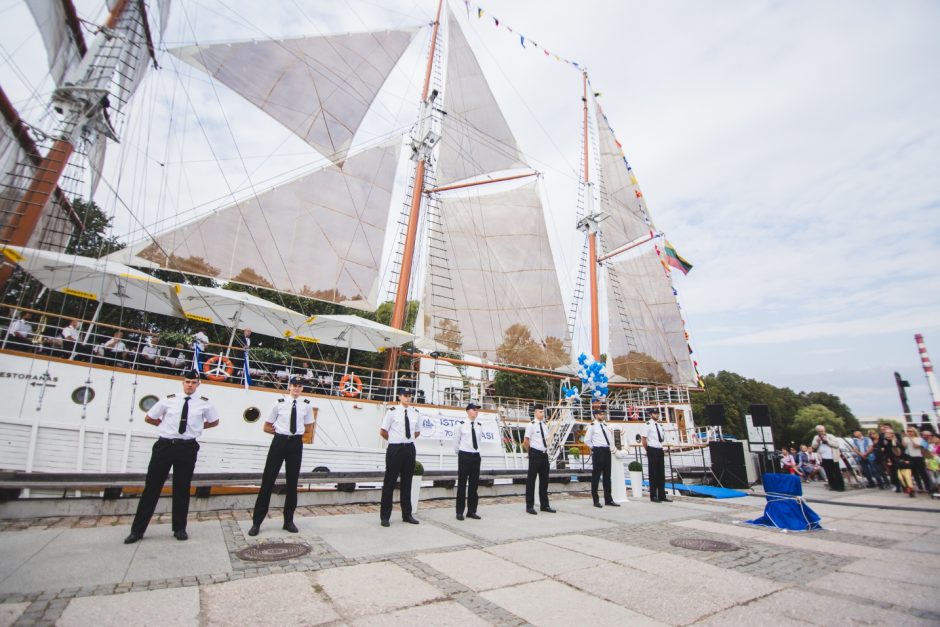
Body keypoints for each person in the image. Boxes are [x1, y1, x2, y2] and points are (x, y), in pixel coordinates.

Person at [124, 370, 220, 543]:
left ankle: (179, 528)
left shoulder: (204, 404)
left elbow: (214, 421)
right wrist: (164, 425)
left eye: (193, 382)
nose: (190, 385)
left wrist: (196, 428)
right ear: (183, 383)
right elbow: (150, 417)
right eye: (187, 381)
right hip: (165, 445)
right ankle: (137, 530)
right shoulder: (169, 400)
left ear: (198, 384)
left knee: (182, 488)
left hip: (187, 447)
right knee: (152, 487)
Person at [248, 376, 315, 536]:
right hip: (279, 442)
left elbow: (308, 427)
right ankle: (257, 522)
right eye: (294, 386)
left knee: (292, 482)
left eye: (300, 386)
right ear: (289, 387)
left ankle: (288, 521)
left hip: (295, 443)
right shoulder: (279, 403)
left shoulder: (306, 405)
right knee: (268, 480)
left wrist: (296, 434)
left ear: (302, 389)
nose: (297, 389)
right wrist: (279, 432)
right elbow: (266, 426)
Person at [379, 390, 421, 527]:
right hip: (395, 448)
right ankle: (385, 517)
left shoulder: (415, 413)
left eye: (409, 396)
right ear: (399, 397)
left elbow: (417, 432)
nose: (408, 398)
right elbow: (383, 431)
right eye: (405, 396)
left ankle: (407, 514)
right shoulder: (392, 412)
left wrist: (406, 442)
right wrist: (394, 441)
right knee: (389, 483)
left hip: (409, 449)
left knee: (407, 483)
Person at [452, 402, 483, 521]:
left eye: (477, 410)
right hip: (464, 456)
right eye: (474, 409)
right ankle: (459, 512)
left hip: (475, 456)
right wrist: (461, 454)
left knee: (474, 485)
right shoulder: (460, 425)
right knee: (462, 485)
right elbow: (456, 443)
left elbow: (479, 441)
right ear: (468, 411)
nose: (476, 411)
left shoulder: (479, 425)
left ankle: (472, 511)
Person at [585, 408, 621, 508]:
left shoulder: (606, 425)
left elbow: (609, 438)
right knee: (596, 476)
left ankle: (608, 499)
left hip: (606, 451)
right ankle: (595, 500)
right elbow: (587, 440)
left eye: (603, 414)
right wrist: (594, 448)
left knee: (607, 476)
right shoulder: (592, 426)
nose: (602, 416)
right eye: (600, 414)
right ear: (596, 415)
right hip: (598, 451)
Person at [523, 403, 555, 514]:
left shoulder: (544, 425)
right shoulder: (531, 425)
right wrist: (530, 452)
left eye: (543, 411)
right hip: (535, 454)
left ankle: (544, 505)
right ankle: (529, 506)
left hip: (544, 454)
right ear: (536, 412)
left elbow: (547, 439)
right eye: (540, 412)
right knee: (531, 480)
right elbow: (526, 441)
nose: (542, 413)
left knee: (544, 480)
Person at [642, 410, 670, 502]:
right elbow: (644, 439)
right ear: (650, 415)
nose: (657, 415)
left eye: (657, 413)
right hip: (652, 449)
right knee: (653, 474)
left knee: (661, 474)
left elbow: (661, 438)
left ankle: (662, 495)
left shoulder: (659, 425)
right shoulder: (648, 425)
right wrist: (648, 450)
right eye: (654, 413)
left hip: (659, 449)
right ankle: (653, 496)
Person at [811, 425, 844, 491]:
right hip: (824, 458)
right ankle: (833, 486)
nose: (821, 432)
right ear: (817, 431)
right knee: (829, 473)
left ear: (824, 430)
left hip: (833, 457)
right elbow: (813, 446)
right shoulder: (816, 437)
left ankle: (840, 487)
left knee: (837, 472)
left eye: (822, 431)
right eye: (819, 431)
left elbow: (836, 445)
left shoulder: (830, 436)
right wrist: (817, 441)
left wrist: (827, 441)